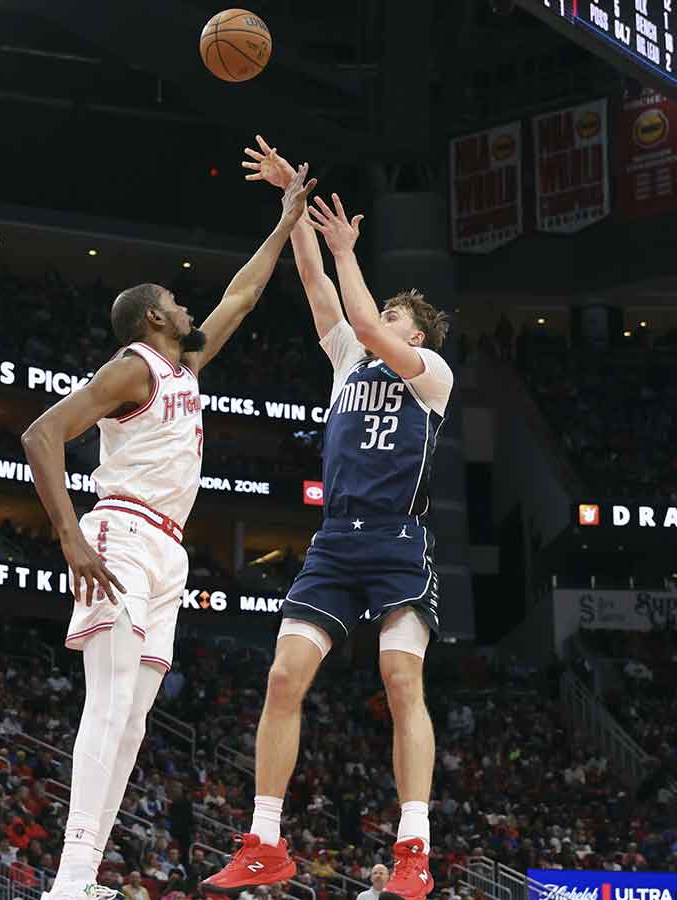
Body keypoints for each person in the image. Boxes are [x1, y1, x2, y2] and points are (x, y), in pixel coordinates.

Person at [21, 163, 315, 900]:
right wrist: (71, 538)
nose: (189, 308)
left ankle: (83, 875)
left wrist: (283, 224)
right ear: (153, 316)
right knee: (111, 702)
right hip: (119, 535)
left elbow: (241, 296)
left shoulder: (184, 363)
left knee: (136, 722)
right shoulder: (132, 368)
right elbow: (42, 434)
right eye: (176, 302)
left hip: (168, 552)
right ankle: (70, 879)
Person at [203, 139, 454, 900]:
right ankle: (265, 840)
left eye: (394, 312)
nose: (380, 316)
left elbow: (365, 321)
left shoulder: (429, 374)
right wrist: (293, 209)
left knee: (398, 676)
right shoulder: (349, 358)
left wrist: (351, 251)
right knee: (282, 676)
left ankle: (414, 846)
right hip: (335, 542)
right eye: (382, 307)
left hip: (396, 540)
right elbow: (315, 283)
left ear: (417, 334)